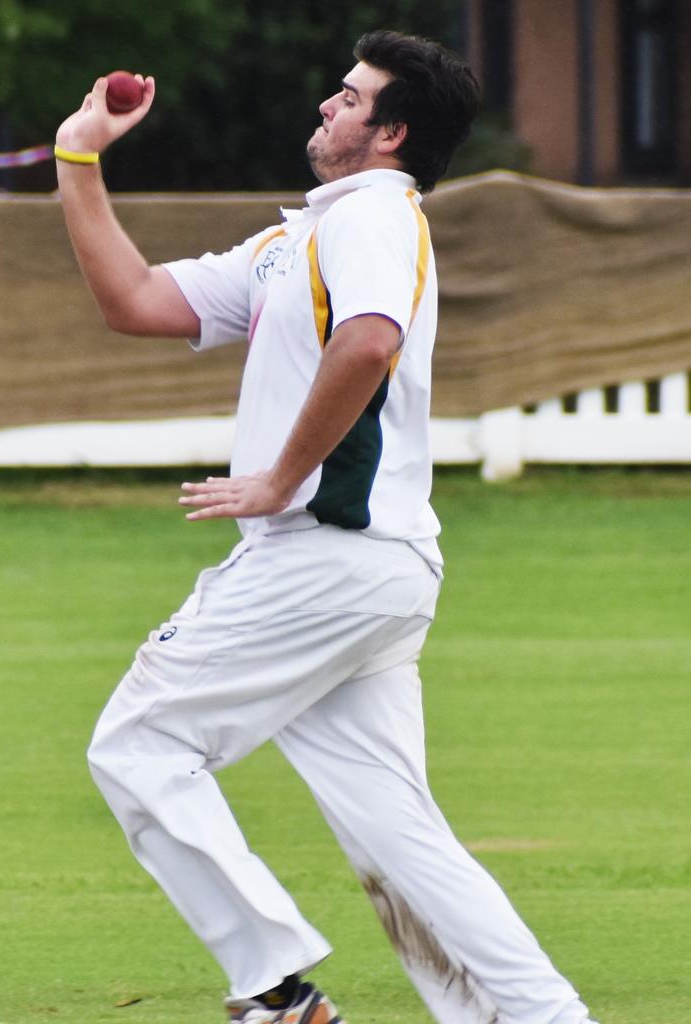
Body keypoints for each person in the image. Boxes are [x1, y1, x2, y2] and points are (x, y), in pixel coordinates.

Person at [55, 30, 599, 1024]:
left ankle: (274, 989)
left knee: (138, 744)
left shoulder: (373, 218)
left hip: (323, 558)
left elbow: (369, 340)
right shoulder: (296, 239)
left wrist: (276, 479)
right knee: (400, 837)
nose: (325, 106)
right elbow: (134, 302)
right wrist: (78, 158)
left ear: (389, 134)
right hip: (376, 572)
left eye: (348, 99)